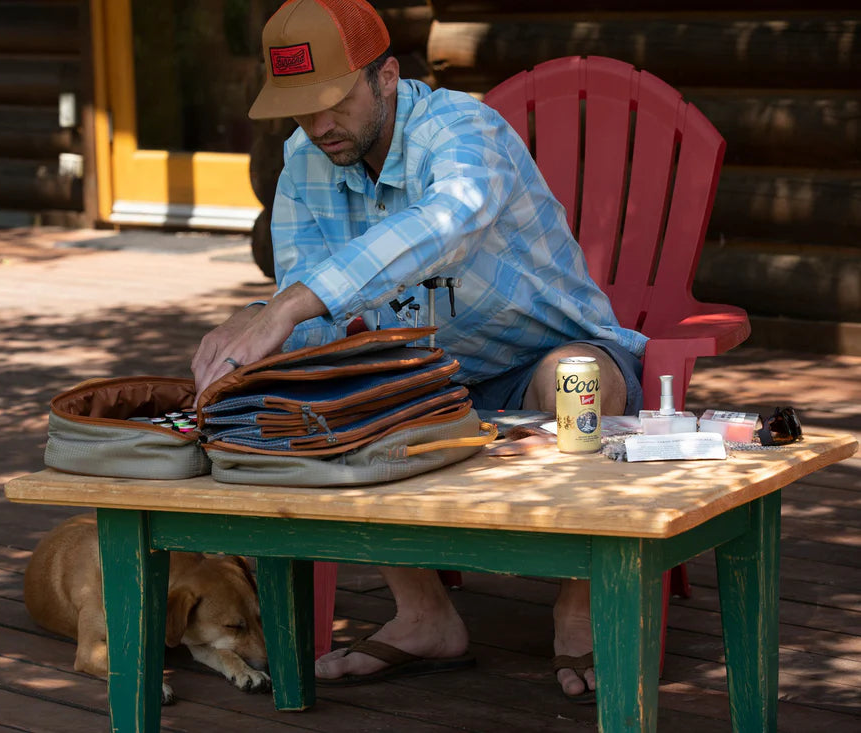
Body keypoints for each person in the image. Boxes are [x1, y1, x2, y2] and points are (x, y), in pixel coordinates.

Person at [192, 0, 647, 702]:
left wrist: (289, 302)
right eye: (300, 109)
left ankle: (580, 604)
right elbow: (308, 328)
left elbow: (444, 223)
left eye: (334, 101)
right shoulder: (304, 162)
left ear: (386, 77)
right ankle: (424, 616)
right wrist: (255, 336)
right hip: (423, 382)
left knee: (575, 379)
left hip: (547, 356)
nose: (318, 125)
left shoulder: (463, 129)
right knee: (328, 396)